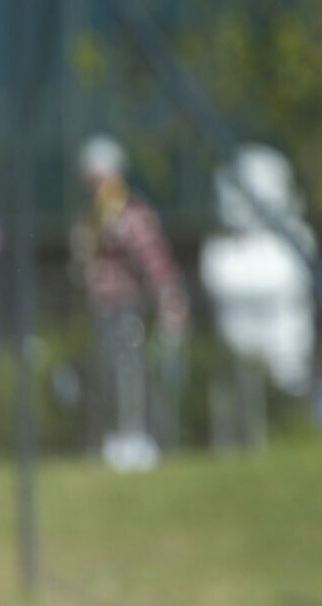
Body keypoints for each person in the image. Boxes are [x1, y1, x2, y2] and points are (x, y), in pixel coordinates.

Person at [70, 134, 189, 470]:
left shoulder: (133, 214)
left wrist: (168, 301)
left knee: (130, 372)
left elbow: (155, 262)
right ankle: (112, 438)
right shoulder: (89, 218)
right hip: (102, 308)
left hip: (129, 307)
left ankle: (136, 438)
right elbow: (82, 264)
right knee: (106, 372)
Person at [200, 145, 317, 448]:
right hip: (242, 358)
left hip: (284, 360)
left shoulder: (294, 242)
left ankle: (288, 432)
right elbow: (222, 281)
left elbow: (283, 281)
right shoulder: (221, 252)